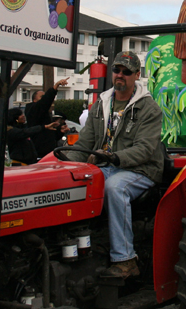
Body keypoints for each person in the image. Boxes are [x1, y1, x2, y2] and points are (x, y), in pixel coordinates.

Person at [69, 51, 164, 279]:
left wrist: (112, 157)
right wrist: (62, 165)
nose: (120, 75)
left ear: (136, 75)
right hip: (108, 165)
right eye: (117, 70)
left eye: (126, 71)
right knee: (75, 182)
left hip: (140, 169)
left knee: (114, 186)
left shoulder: (149, 109)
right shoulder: (101, 104)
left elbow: (144, 150)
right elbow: (85, 143)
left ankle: (126, 259)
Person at [25, 77, 69, 158]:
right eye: (42, 96)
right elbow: (44, 102)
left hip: (49, 153)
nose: (44, 98)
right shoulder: (33, 110)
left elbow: (49, 136)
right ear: (34, 100)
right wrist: (55, 87)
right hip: (39, 153)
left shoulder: (44, 114)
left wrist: (60, 132)